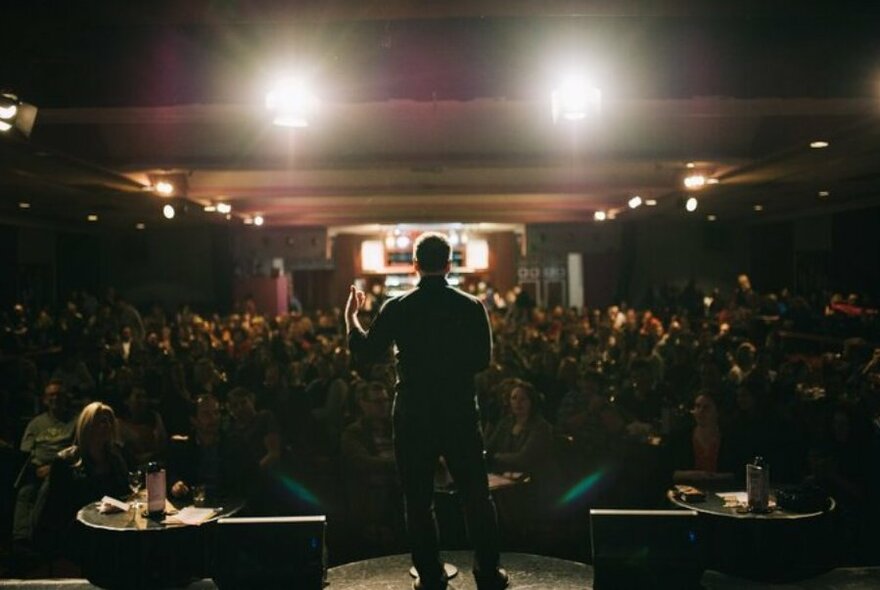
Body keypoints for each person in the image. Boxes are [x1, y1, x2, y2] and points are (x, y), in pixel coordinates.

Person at [346, 232, 508, 590]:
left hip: (413, 414)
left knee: (418, 501)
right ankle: (488, 572)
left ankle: (431, 576)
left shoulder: (398, 306)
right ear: (449, 265)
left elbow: (367, 352)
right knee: (476, 497)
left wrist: (351, 317)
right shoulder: (470, 306)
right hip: (459, 412)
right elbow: (482, 360)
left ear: (415, 265)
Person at [12, 381, 76, 552]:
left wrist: (53, 467)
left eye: (59, 395)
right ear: (45, 400)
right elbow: (26, 451)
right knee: (25, 493)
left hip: (62, 469)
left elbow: (78, 448)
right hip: (37, 469)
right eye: (51, 395)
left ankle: (34, 535)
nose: (55, 398)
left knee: (46, 490)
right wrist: (34, 468)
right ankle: (20, 538)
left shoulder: (74, 421)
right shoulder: (35, 423)